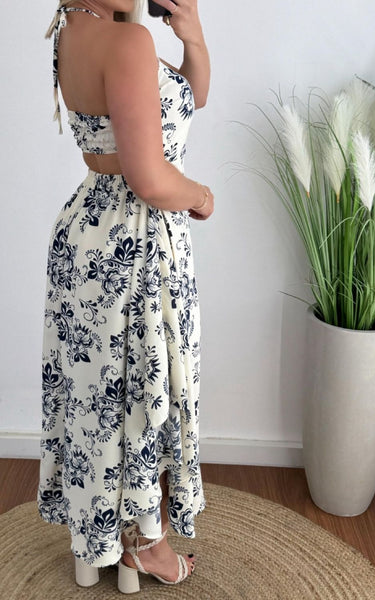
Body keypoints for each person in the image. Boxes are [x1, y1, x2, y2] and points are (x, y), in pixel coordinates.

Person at [37, 0, 214, 593]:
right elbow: (151, 179)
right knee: (145, 395)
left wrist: (192, 36)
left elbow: (187, 99)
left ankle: (93, 543)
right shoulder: (129, 43)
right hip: (139, 243)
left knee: (97, 399)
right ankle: (147, 545)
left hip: (87, 234)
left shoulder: (71, 27)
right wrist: (202, 196)